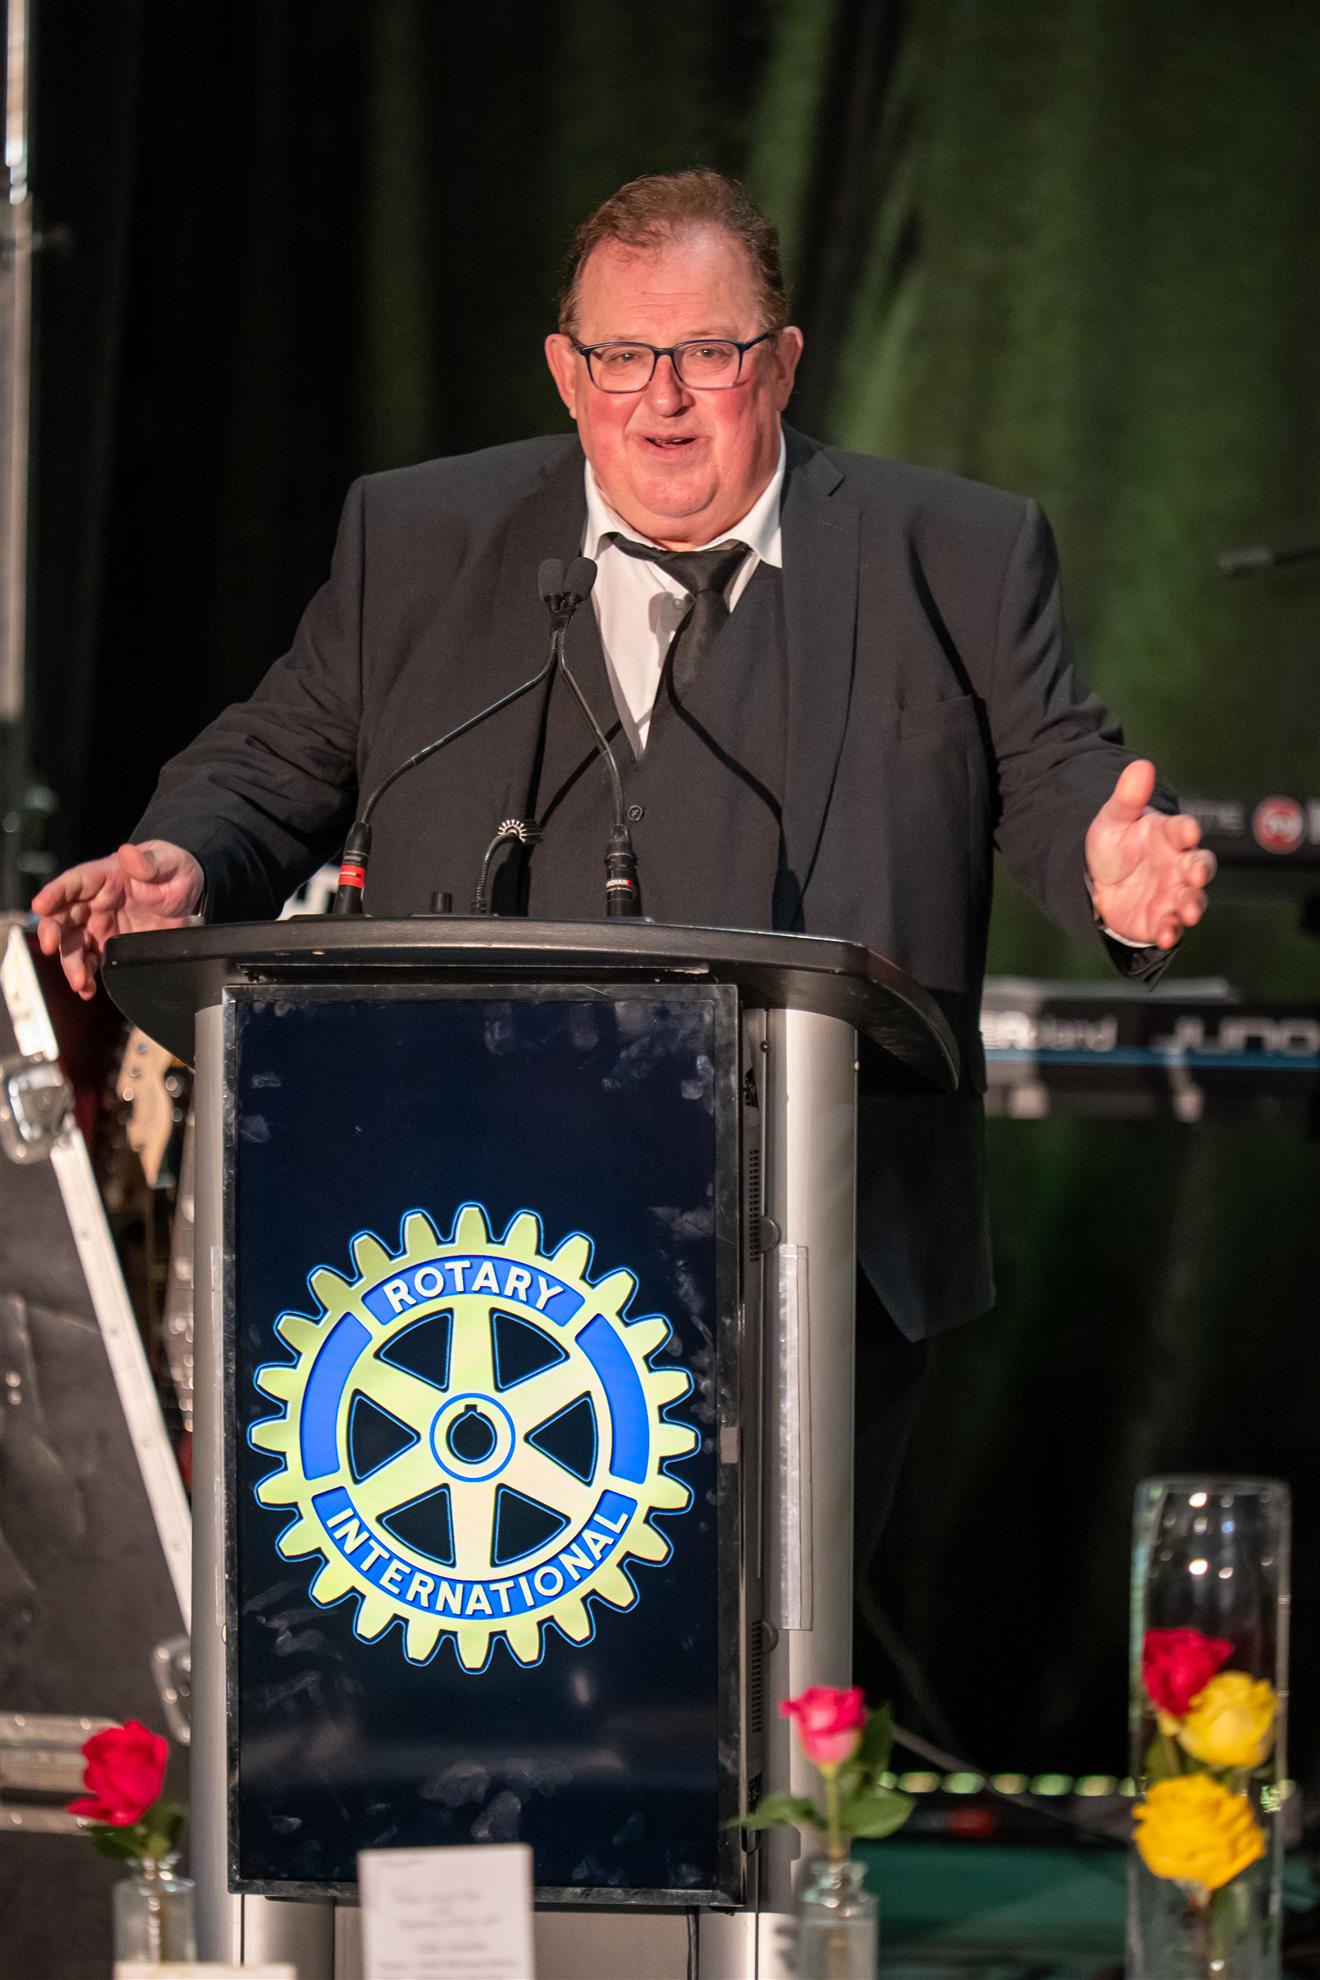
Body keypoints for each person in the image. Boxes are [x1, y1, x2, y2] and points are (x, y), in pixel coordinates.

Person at [31, 169, 1214, 1584]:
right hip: (454, 1261)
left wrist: (1110, 867)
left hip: (814, 1262)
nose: (662, 399)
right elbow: (278, 756)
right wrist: (183, 856)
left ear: (781, 363)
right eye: (621, 357)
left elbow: (1061, 771)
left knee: (756, 1679)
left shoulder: (949, 554)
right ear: (565, 372)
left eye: (708, 353)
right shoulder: (421, 541)